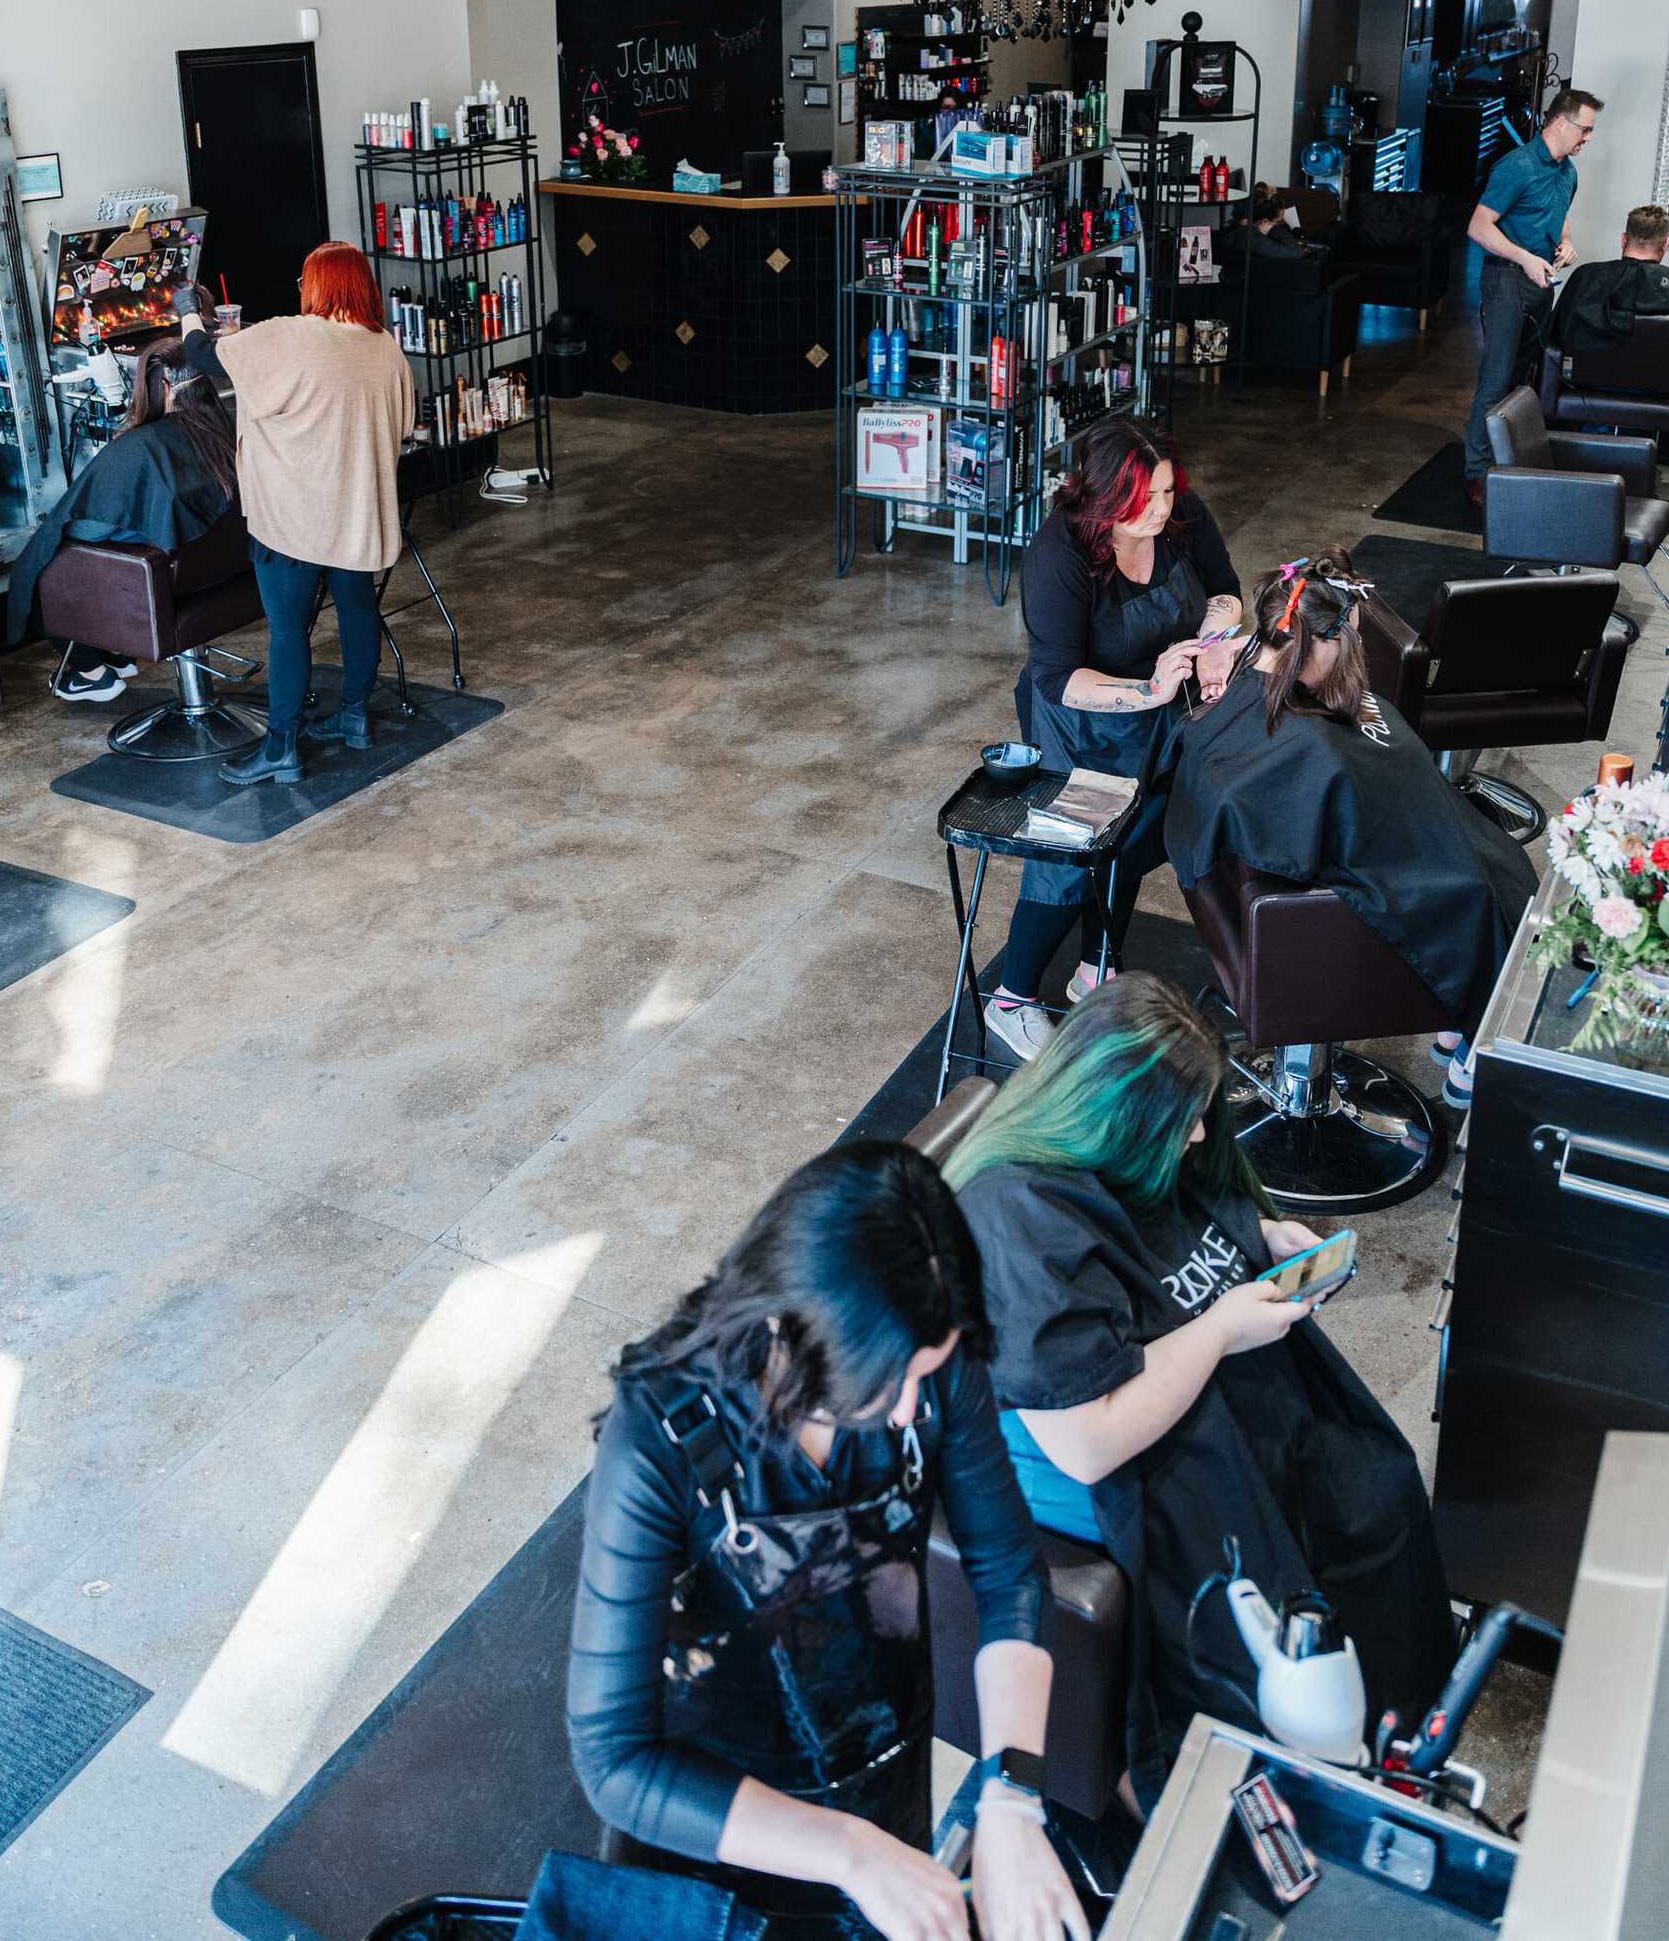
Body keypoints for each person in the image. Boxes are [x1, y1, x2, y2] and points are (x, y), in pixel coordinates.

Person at [944, 975, 1457, 1808]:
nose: (1195, 1138)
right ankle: (1263, 1787)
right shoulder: (1018, 1221)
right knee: (1269, 1582)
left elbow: (1194, 1193)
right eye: (1180, 1121)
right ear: (1114, 1118)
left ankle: (1389, 1730)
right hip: (1093, 1455)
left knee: (1373, 1488)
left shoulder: (1122, 1146)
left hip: (1190, 1380)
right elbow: (1088, 1441)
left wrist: (1257, 1231)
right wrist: (1219, 1328)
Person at [570, 1142, 1087, 1941]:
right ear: (799, 1331)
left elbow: (1010, 1572)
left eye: (931, 1372)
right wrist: (848, 1852)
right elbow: (614, 1757)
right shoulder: (658, 1439)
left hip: (887, 1776)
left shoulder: (925, 1344)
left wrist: (1012, 1794)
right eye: (894, 1381)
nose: (917, 1408)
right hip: (726, 1844)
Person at [1165, 549, 1536, 1102]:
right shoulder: (1305, 747)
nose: (1354, 652)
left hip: (1400, 821)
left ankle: (1460, 1018)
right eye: (1349, 640)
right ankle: (1472, 1045)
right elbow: (1305, 833)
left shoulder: (1253, 696)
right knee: (1486, 888)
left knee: (1490, 868)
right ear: (1314, 642)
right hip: (1343, 901)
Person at [987, 416, 1242, 1062]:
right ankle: (1012, 998)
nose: (1162, 509)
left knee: (1134, 839)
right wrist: (1149, 691)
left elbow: (1227, 592)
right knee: (1068, 862)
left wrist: (1210, 646)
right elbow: (1057, 676)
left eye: (1165, 492)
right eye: (1145, 499)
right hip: (1079, 721)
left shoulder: (1179, 515)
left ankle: (1096, 968)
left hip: (1160, 711)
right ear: (1104, 497)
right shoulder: (1059, 555)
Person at [175, 241, 414, 788]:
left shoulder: (290, 335)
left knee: (287, 631)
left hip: (294, 519)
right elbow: (400, 429)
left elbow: (204, 358)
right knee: (357, 612)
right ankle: (353, 715)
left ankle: (281, 746)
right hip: (358, 515)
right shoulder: (385, 348)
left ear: (317, 285)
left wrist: (191, 310)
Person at [5, 315, 236, 704]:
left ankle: (88, 670)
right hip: (217, 575)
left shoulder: (139, 450)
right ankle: (113, 650)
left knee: (48, 556)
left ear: (161, 387)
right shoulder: (224, 430)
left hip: (160, 579)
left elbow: (88, 524)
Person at [1461, 88, 1603, 507]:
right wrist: (1524, 257)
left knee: (1523, 378)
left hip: (1540, 280)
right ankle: (1479, 473)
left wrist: (1567, 240)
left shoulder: (1568, 173)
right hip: (1506, 279)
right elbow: (1479, 227)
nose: (1588, 138)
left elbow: (1557, 217)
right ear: (1561, 122)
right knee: (1497, 378)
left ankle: (1508, 464)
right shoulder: (1516, 166)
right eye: (1585, 129)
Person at [1549, 204, 1669, 360]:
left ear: (1623, 239)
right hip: (1659, 388)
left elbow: (1554, 333)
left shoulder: (1584, 277)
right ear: (1665, 244)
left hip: (1582, 385)